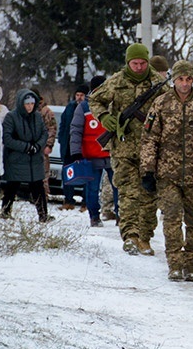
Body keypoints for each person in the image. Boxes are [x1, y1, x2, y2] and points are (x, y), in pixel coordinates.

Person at [140, 60, 193, 282]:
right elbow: (150, 140)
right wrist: (147, 170)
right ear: (173, 80)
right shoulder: (161, 104)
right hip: (167, 174)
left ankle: (191, 265)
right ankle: (175, 264)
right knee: (171, 219)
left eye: (188, 79)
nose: (184, 84)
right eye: (180, 79)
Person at [89, 43, 166, 255]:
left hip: (151, 150)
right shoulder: (116, 81)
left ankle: (145, 237)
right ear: (128, 62)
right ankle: (130, 236)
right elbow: (94, 99)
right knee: (128, 194)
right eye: (135, 63)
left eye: (142, 63)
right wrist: (105, 117)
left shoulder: (159, 83)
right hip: (123, 148)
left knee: (149, 196)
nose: (139, 67)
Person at [0, 89, 50, 222]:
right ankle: (5, 213)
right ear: (21, 103)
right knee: (12, 187)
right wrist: (26, 147)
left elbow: (44, 133)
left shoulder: (38, 116)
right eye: (27, 103)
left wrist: (37, 146)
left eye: (32, 103)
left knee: (38, 188)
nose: (30, 106)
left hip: (34, 160)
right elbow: (7, 138)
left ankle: (43, 215)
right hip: (17, 160)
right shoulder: (11, 117)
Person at [69, 78, 114, 227]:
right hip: (91, 155)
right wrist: (76, 152)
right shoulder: (84, 107)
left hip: (112, 153)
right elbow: (75, 130)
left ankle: (121, 215)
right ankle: (94, 216)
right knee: (93, 189)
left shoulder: (113, 104)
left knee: (119, 186)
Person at [58, 84, 89, 210]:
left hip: (83, 148)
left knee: (86, 175)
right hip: (68, 147)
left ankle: (85, 202)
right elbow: (63, 124)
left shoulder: (88, 108)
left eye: (82, 95)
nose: (79, 97)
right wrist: (61, 139)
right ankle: (68, 200)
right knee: (68, 175)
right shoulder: (70, 107)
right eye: (77, 95)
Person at [32, 89, 57, 204]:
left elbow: (51, 128)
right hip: (30, 147)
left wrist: (49, 145)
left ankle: (43, 198)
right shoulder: (27, 110)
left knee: (43, 175)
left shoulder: (46, 111)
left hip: (42, 147)